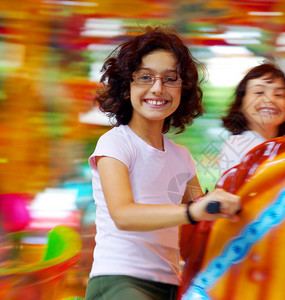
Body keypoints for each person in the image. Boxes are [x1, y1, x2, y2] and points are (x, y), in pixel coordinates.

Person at [84, 26, 241, 300]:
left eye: (170, 79)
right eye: (145, 77)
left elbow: (202, 222)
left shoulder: (182, 157)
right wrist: (192, 212)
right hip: (119, 281)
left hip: (171, 283)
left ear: (183, 90)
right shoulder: (115, 144)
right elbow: (124, 215)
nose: (158, 88)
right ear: (126, 86)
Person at [218, 62, 285, 174]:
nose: (270, 99)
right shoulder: (237, 145)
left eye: (279, 94)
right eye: (259, 92)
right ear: (241, 103)